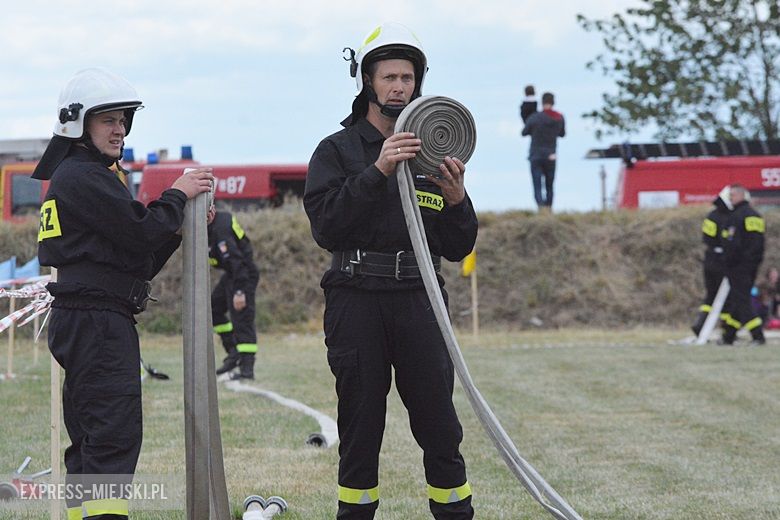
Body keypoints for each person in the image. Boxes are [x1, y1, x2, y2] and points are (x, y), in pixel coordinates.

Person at [304, 22, 478, 520]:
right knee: (360, 426)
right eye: (389, 77)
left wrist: (457, 199)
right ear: (367, 81)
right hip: (357, 298)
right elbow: (327, 227)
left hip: (419, 299)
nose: (399, 87)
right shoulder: (337, 151)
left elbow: (458, 245)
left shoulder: (433, 152)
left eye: (407, 77)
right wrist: (378, 170)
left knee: (439, 425)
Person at [33, 67, 213, 520]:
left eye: (123, 120)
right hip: (96, 322)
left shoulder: (82, 177)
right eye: (108, 120)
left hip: (89, 317)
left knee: (92, 440)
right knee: (112, 438)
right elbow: (140, 231)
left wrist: (177, 230)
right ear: (78, 124)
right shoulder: (82, 176)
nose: (119, 130)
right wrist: (176, 196)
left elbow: (138, 259)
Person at [207, 207, 260, 379]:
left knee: (242, 318)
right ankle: (233, 351)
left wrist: (239, 292)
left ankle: (247, 369)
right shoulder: (208, 226)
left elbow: (237, 261)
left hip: (242, 273)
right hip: (231, 273)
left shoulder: (220, 230)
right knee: (213, 308)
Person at [720, 184, 766, 345]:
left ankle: (757, 335)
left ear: (741, 196)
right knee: (738, 299)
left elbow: (732, 243)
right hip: (752, 264)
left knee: (742, 300)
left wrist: (729, 261)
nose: (730, 199)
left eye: (732, 195)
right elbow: (758, 243)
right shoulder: (755, 215)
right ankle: (728, 336)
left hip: (737, 265)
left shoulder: (736, 216)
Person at [690, 186, 732, 336]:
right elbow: (727, 238)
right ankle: (727, 329)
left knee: (711, 294)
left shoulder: (711, 216)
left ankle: (700, 324)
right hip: (722, 259)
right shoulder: (728, 217)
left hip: (710, 258)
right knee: (726, 296)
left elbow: (707, 238)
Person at [522, 91, 565, 211]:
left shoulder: (534, 117)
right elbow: (562, 133)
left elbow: (524, 132)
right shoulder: (559, 117)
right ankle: (549, 207)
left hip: (536, 155)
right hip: (551, 155)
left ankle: (541, 207)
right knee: (549, 185)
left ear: (542, 102)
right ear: (553, 102)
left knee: (537, 184)